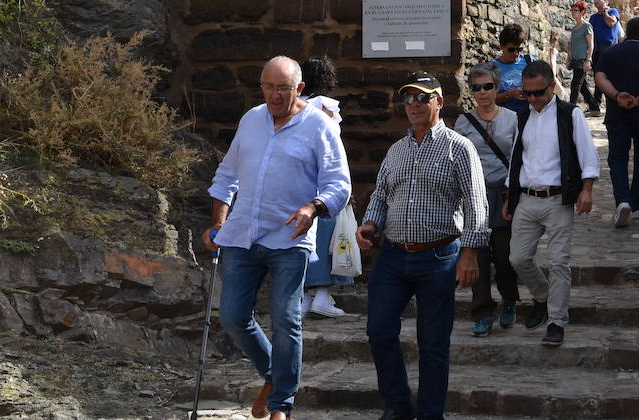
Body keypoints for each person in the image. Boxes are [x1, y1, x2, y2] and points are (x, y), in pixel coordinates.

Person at [205, 56, 351, 420]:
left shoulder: (320, 126)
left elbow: (339, 186)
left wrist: (312, 208)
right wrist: (218, 224)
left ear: (299, 89)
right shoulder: (251, 119)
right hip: (241, 235)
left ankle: (280, 403)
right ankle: (274, 374)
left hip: (289, 239)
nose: (273, 95)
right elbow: (226, 176)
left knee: (286, 319)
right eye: (267, 87)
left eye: (282, 89)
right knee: (233, 318)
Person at [357, 72, 488, 420]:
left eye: (422, 98)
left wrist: (470, 253)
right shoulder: (396, 150)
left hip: (439, 257)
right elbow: (382, 195)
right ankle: (399, 406)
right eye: (408, 99)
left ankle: (431, 415)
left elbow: (477, 203)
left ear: (439, 102)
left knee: (432, 344)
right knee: (379, 331)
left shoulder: (459, 148)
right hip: (393, 257)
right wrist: (371, 223)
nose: (413, 105)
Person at [506, 60, 600, 347]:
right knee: (518, 259)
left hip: (558, 200)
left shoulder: (569, 115)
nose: (533, 99)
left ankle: (556, 321)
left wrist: (586, 190)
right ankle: (544, 297)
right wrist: (509, 197)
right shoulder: (522, 116)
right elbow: (516, 157)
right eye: (527, 93)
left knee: (559, 262)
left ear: (551, 86)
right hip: (526, 198)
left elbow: (587, 154)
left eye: (538, 93)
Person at [455, 63, 520, 337]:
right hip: (474, 196)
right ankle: (481, 312)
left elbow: (518, 159)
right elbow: (456, 160)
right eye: (476, 88)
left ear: (497, 87)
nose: (482, 93)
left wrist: (513, 194)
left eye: (488, 86)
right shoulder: (462, 123)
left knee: (505, 256)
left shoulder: (512, 119)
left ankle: (508, 299)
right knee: (477, 257)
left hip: (503, 195)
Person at [594, 17, 639, 225]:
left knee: (617, 159)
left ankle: (622, 201)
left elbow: (600, 78)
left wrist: (617, 96)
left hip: (617, 114)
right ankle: (638, 205)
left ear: (626, 32)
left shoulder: (610, 54)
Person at [298, 56, 354, 320]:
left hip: (300, 183)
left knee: (305, 238)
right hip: (323, 184)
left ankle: (306, 298)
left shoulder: (296, 107)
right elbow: (332, 152)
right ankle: (321, 294)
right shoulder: (326, 107)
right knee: (328, 239)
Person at [487, 23, 533, 115]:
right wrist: (509, 94)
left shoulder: (529, 61)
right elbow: (487, 100)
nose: (516, 53)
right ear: (501, 47)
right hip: (503, 118)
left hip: (529, 117)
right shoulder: (492, 67)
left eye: (519, 49)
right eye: (511, 49)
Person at [566, 0, 600, 113]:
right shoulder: (574, 28)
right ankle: (595, 107)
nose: (573, 12)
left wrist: (588, 60)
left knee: (575, 84)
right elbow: (571, 45)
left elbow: (591, 44)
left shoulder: (587, 26)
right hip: (575, 60)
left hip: (583, 60)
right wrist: (568, 58)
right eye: (572, 10)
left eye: (576, 10)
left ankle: (570, 109)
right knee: (583, 86)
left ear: (582, 12)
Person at [588, 0, 621, 82]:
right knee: (597, 75)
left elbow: (611, 23)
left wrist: (605, 13)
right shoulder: (593, 17)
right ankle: (597, 96)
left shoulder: (613, 11)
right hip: (596, 49)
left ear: (606, 1)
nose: (595, 1)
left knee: (608, 75)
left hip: (609, 48)